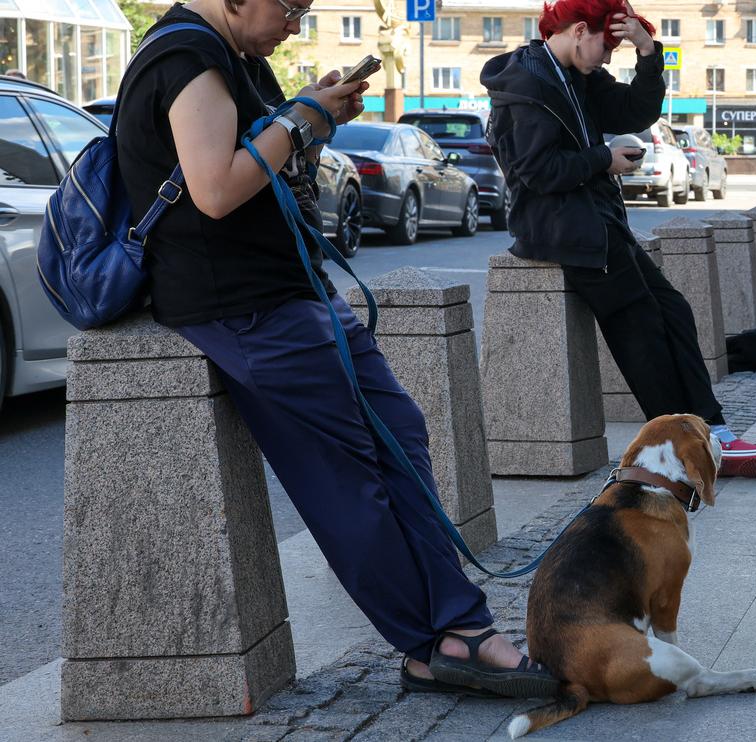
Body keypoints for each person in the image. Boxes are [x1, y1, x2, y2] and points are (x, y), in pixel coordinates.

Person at [116, 0, 559, 699]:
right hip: (244, 308)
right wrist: (299, 120)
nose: (295, 22)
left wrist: (315, 120)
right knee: (349, 479)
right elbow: (215, 189)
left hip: (296, 292)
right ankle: (441, 637)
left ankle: (449, 629)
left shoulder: (238, 58)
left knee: (400, 432)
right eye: (289, 6)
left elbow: (269, 175)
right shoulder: (184, 58)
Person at [482, 0, 756, 478]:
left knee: (673, 310)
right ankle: (682, 446)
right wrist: (604, 158)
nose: (608, 56)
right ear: (580, 30)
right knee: (640, 330)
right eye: (609, 44)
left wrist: (648, 52)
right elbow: (536, 173)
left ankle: (712, 432)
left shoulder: (574, 74)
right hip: (564, 231)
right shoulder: (528, 84)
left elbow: (636, 109)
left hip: (597, 224)